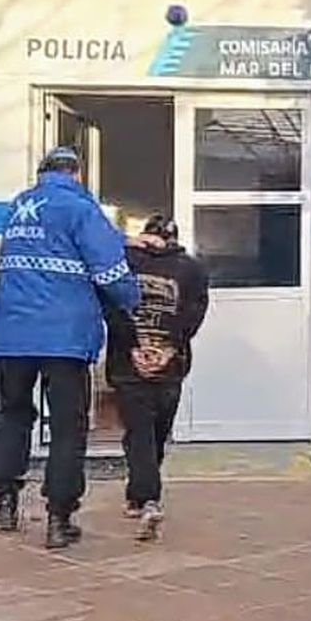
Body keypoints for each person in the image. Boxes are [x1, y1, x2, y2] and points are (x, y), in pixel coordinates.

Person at [0, 146, 140, 550]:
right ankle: (59, 517)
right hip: (64, 337)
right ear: (75, 173)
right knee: (68, 426)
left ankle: (5, 500)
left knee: (14, 414)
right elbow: (110, 269)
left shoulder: (18, 208)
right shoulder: (79, 209)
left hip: (12, 332)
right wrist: (130, 300)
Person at [103, 215, 209, 542]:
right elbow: (194, 314)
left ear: (145, 235)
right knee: (156, 433)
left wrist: (134, 347)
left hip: (128, 363)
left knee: (140, 432)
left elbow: (113, 307)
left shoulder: (124, 261)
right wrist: (169, 349)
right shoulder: (191, 268)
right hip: (170, 365)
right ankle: (147, 496)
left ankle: (141, 496)